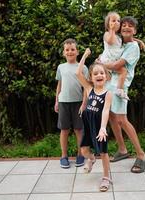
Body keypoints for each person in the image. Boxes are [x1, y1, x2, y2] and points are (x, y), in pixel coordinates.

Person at [102, 16, 145, 173]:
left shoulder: (132, 47)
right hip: (110, 84)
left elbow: (116, 65)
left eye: (130, 26)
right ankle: (122, 150)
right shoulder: (123, 41)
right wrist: (139, 40)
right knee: (113, 117)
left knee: (122, 120)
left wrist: (101, 64)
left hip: (121, 87)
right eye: (124, 26)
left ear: (134, 30)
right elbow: (124, 39)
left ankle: (141, 155)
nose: (126, 28)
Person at [76, 48, 113, 192]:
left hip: (99, 127)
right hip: (88, 124)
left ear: (106, 76)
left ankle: (106, 177)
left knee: (103, 153)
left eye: (102, 73)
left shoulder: (108, 93)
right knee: (84, 149)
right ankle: (91, 159)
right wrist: (85, 55)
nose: (99, 75)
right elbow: (78, 73)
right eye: (95, 73)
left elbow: (105, 111)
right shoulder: (89, 89)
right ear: (91, 77)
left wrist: (103, 127)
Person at [54, 38, 88, 169]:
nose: (70, 52)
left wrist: (84, 103)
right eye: (67, 50)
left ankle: (80, 155)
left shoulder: (82, 67)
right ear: (63, 52)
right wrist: (56, 100)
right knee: (64, 130)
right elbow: (59, 84)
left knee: (79, 130)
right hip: (63, 102)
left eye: (72, 49)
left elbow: (86, 87)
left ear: (77, 52)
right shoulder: (61, 67)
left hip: (78, 103)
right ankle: (64, 156)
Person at [100, 11, 145, 101]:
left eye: (118, 21)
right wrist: (112, 30)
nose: (116, 23)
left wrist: (139, 41)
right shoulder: (109, 34)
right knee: (109, 113)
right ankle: (118, 90)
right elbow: (110, 41)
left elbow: (116, 66)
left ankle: (120, 90)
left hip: (116, 79)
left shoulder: (131, 45)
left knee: (119, 115)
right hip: (109, 70)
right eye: (123, 25)